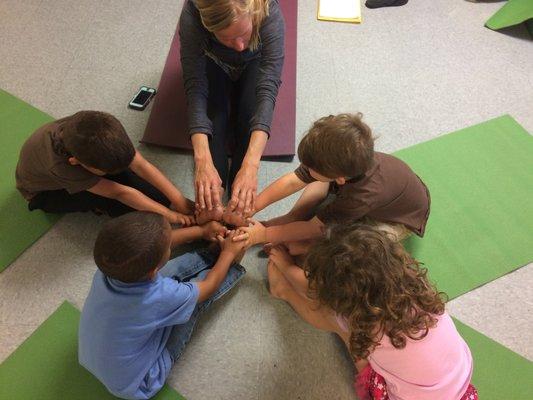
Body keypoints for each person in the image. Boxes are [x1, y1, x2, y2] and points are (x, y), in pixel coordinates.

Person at [267, 223, 478, 400]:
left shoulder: (369, 327)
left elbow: (315, 294)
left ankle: (283, 292)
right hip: (460, 387)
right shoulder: (416, 287)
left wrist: (286, 267)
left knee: (335, 323)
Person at [79, 211, 246, 400]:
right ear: (152, 272)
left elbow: (157, 246)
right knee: (191, 305)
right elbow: (207, 287)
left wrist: (201, 231)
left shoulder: (109, 268)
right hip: (140, 382)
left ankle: (209, 256)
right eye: (168, 247)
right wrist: (228, 253)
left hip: (93, 358)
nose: (170, 244)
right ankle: (231, 264)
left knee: (171, 275)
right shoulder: (158, 298)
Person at [235, 113, 430, 246]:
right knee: (317, 182)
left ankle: (291, 235)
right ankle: (292, 218)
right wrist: (252, 208)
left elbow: (315, 228)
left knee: (347, 244)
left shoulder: (359, 197)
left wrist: (266, 235)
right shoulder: (340, 157)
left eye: (311, 168)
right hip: (390, 189)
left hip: (399, 220)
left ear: (340, 179)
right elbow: (292, 181)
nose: (306, 170)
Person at [179, 0, 285, 219]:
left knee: (249, 119)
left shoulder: (268, 10)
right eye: (226, 37)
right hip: (214, 61)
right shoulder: (193, 13)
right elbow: (195, 85)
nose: (239, 45)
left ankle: (239, 200)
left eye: (243, 33)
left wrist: (250, 167)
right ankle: (214, 197)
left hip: (255, 61)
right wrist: (202, 162)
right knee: (214, 122)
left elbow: (268, 88)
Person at [15, 111, 195, 224]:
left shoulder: (96, 125)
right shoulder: (61, 166)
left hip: (82, 163)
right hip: (46, 195)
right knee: (124, 206)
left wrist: (178, 200)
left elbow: (141, 165)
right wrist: (173, 217)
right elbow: (120, 193)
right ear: (77, 162)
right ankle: (97, 205)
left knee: (153, 193)